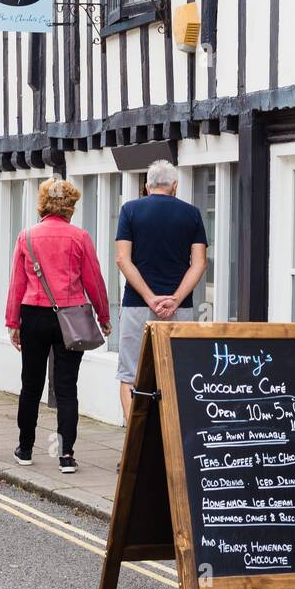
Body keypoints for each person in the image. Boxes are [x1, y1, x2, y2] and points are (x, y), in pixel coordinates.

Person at [7, 178, 112, 473]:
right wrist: (103, 316)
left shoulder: (26, 237)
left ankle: (25, 448)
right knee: (66, 389)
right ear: (70, 206)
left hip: (34, 316)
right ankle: (65, 455)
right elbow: (94, 280)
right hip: (71, 317)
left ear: (43, 204)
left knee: (31, 385)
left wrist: (13, 322)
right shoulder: (80, 237)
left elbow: (17, 283)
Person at [115, 160, 207, 418]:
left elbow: (123, 259)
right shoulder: (192, 214)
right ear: (174, 186)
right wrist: (175, 299)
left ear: (146, 186)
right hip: (179, 310)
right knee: (177, 377)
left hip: (136, 305)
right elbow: (199, 263)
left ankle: (133, 452)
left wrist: (149, 297)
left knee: (130, 377)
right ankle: (172, 448)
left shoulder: (130, 210)